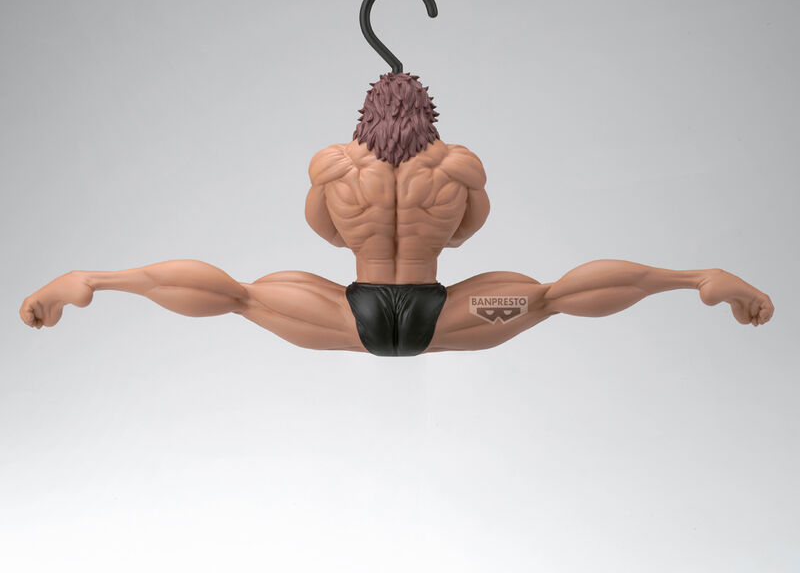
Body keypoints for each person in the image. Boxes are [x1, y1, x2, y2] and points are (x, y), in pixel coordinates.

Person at [19, 70, 774, 355]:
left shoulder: (334, 165)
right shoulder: (458, 166)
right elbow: (470, 230)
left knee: (242, 296)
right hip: (443, 314)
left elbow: (320, 229)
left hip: (349, 313)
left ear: (367, 111)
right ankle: (695, 280)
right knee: (547, 298)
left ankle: (96, 281)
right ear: (426, 110)